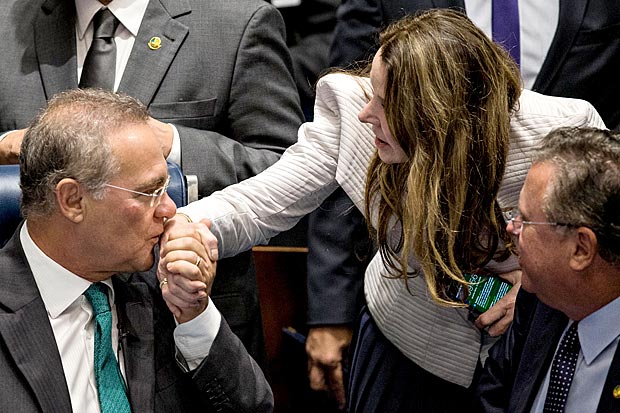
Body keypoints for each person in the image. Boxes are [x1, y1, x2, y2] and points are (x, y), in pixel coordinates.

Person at [160, 10, 605, 411]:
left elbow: (602, 251)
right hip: (405, 340)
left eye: (385, 103)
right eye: (370, 92)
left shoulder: (562, 133)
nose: (366, 114)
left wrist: (533, 281)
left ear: (436, 116)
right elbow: (262, 200)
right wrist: (192, 226)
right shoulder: (348, 108)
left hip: (523, 346)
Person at [307, 1, 620, 405]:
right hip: (407, 330)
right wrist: (330, 309)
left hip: (551, 321)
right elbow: (350, 140)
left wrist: (543, 274)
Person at [0, 0, 305, 369]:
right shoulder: (8, 22)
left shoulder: (237, 21)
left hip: (181, 326)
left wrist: (174, 143)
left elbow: (288, 172)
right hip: (32, 330)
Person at [0, 88, 272, 412]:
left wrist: (194, 316)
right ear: (73, 200)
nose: (170, 209)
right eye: (149, 192)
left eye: (166, 187)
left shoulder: (163, 282)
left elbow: (253, 408)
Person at [475, 127, 620, 412]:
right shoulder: (542, 296)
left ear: (581, 249)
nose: (511, 228)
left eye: (525, 221)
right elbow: (492, 394)